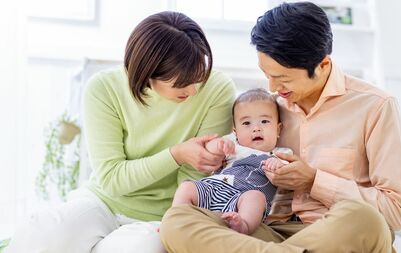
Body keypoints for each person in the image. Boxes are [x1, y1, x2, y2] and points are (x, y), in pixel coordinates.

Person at [160, 2, 401, 253]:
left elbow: (397, 213)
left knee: (362, 219)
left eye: (283, 78)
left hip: (335, 233)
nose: (272, 87)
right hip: (267, 233)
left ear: (323, 65)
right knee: (177, 221)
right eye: (267, 74)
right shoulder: (267, 110)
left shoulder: (376, 106)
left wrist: (314, 181)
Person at [6, 11, 235, 253]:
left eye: (198, 76)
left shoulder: (217, 90)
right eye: (181, 84)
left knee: (142, 247)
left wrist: (178, 224)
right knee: (41, 234)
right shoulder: (104, 88)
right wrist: (176, 155)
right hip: (101, 203)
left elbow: (192, 183)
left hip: (162, 215)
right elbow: (112, 179)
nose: (193, 90)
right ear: (147, 73)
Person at [172, 88, 292, 235]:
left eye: (265, 121)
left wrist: (278, 166)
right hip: (213, 189)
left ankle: (243, 225)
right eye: (247, 123)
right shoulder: (232, 145)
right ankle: (174, 221)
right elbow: (209, 150)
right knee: (186, 187)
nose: (256, 128)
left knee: (256, 197)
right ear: (235, 132)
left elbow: (290, 176)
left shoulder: (281, 154)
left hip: (241, 201)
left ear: (278, 129)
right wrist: (218, 145)